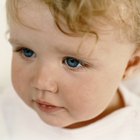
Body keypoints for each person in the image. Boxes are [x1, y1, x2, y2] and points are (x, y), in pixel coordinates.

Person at [1, 0, 140, 139]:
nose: (41, 83)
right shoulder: (9, 107)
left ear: (129, 64)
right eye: (27, 52)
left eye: (72, 62)